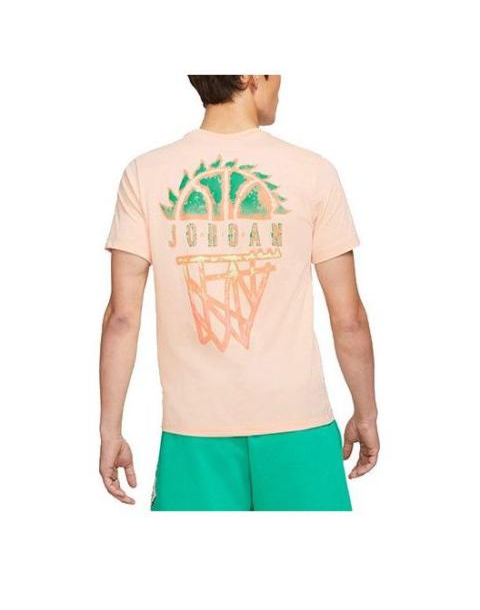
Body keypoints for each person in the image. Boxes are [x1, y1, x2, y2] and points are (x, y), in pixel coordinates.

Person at [99, 75, 379, 511]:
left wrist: (110, 431)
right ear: (250, 74)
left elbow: (122, 317)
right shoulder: (312, 172)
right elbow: (349, 318)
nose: (281, 81)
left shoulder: (145, 173)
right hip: (298, 425)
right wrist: (366, 414)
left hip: (194, 432)